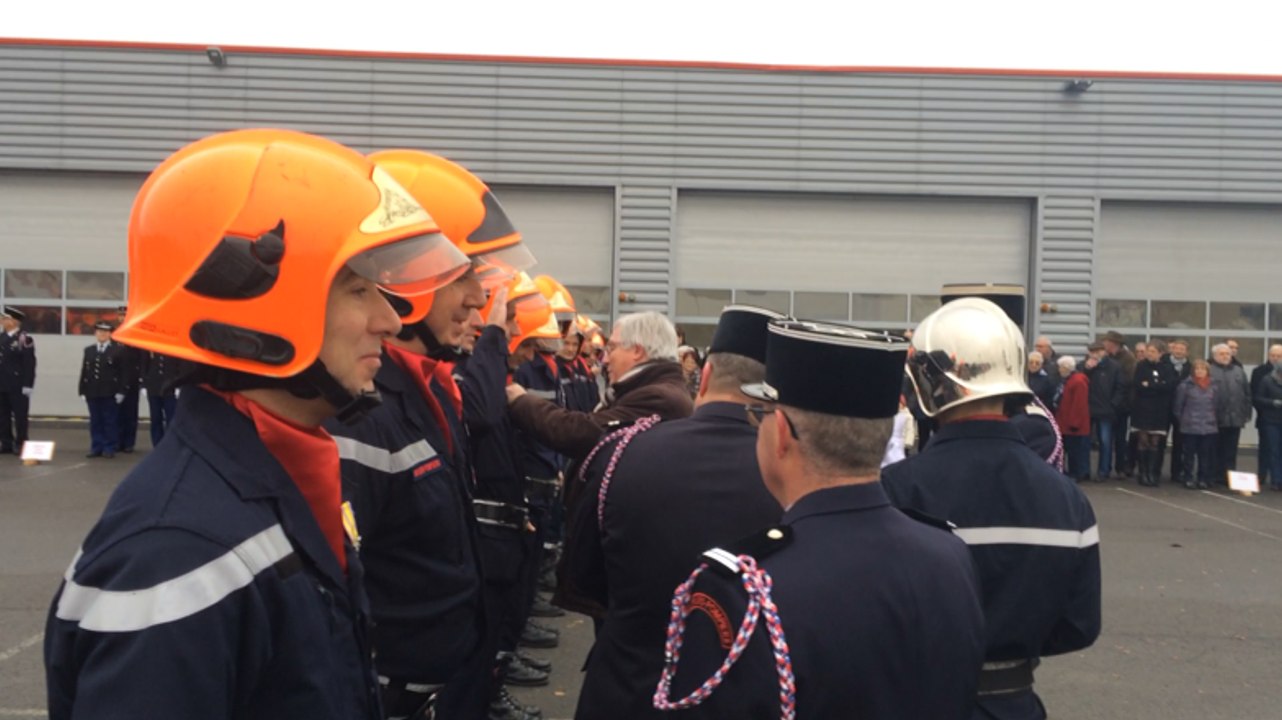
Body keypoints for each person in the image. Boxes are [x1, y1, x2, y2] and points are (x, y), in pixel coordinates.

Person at [45, 128, 471, 720]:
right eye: (356, 289)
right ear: (262, 308)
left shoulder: (278, 478)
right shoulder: (175, 552)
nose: (389, 320)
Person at [327, 147, 537, 720]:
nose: (477, 300)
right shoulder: (359, 410)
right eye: (461, 273)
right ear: (398, 279)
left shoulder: (430, 384)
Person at [883, 297, 1101, 720]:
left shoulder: (898, 489)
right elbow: (1078, 626)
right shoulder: (1067, 496)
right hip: (1016, 702)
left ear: (929, 383)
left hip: (922, 700)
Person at [570, 305, 785, 720]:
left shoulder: (621, 452)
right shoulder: (791, 475)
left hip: (626, 692)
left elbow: (585, 579)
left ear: (703, 377)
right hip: (742, 697)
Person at [506, 311, 693, 460]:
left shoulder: (658, 399)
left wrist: (521, 402)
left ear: (637, 351)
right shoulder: (657, 390)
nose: (605, 359)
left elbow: (582, 433)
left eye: (611, 348)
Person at [1130, 341, 1177, 486]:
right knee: (1143, 441)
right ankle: (1142, 473)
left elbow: (1169, 386)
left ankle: (1153, 472)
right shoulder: (1141, 366)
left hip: (1159, 410)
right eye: (1148, 351)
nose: (1149, 354)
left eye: (1153, 351)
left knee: (1155, 442)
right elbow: (1138, 384)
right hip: (1142, 409)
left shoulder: (1167, 367)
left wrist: (1151, 385)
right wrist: (1156, 386)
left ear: (1160, 353)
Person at [77, 321, 126, 458]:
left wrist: (122, 391)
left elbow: (123, 372)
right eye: (99, 331)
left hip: (110, 391)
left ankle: (109, 447)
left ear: (110, 334)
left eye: (105, 332)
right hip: (92, 391)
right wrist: (82, 389)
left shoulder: (118, 350)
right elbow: (85, 371)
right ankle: (96, 447)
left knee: (109, 421)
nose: (102, 334)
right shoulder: (89, 350)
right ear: (95, 333)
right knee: (95, 420)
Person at [1209, 342, 1252, 485]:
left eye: (1227, 353)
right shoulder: (1209, 370)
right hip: (1215, 418)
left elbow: (1247, 393)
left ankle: (1230, 477)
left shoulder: (1239, 371)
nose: (1225, 356)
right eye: (1221, 354)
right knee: (1215, 449)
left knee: (1231, 451)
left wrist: (1246, 413)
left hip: (1235, 419)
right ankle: (1214, 476)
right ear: (1215, 356)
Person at [1173, 359, 1218, 489]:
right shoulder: (1185, 386)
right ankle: (1188, 477)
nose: (1200, 371)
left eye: (1202, 369)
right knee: (1188, 454)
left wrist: (1212, 419)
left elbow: (1217, 405)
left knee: (1205, 455)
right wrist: (1184, 420)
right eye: (1197, 369)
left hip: (1208, 426)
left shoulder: (1214, 386)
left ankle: (1202, 478)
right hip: (1190, 426)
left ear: (1207, 372)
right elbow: (1178, 407)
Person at [1085, 341, 1124, 481]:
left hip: (1106, 410)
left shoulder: (1114, 366)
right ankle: (1084, 470)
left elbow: (1120, 387)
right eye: (1092, 351)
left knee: (1105, 441)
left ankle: (1104, 470)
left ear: (1104, 351)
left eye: (1098, 351)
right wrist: (1088, 368)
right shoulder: (1085, 365)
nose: (1095, 354)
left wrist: (1113, 404)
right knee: (1085, 442)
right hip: (1088, 409)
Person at [0, 306, 36, 454]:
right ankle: (6, 442)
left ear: (14, 321)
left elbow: (29, 363)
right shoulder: (2, 337)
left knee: (20, 416)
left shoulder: (24, 339)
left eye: (5, 318)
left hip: (17, 384)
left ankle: (21, 443)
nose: (2, 320)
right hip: (2, 383)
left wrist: (28, 384)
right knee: (3, 416)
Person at [1102, 331, 1137, 476]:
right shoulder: (1104, 357)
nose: (1104, 344)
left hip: (1123, 404)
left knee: (1120, 438)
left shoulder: (1128, 358)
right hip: (1105, 402)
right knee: (1106, 439)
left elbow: (1128, 380)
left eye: (1107, 342)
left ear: (1114, 344)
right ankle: (1106, 467)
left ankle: (1120, 467)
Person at [1054, 355, 1091, 482]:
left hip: (1073, 424)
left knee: (1075, 451)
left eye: (1060, 367)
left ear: (1066, 367)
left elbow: (1079, 404)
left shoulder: (1078, 382)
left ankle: (1077, 473)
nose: (1059, 370)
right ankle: (1073, 472)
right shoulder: (1068, 381)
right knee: (1070, 449)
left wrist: (1074, 423)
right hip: (1065, 421)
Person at [113, 306, 145, 453]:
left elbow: (143, 358)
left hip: (132, 379)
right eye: (120, 315)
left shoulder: (136, 334)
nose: (122, 318)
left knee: (130, 413)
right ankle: (118, 441)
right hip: (116, 380)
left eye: (124, 315)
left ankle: (129, 443)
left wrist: (142, 379)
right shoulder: (113, 333)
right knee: (117, 413)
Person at [1249, 344, 1282, 486]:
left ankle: (1277, 477)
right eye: (1273, 355)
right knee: (1267, 449)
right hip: (1267, 418)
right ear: (1268, 355)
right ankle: (1263, 475)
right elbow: (1255, 396)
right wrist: (1270, 406)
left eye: (1279, 356)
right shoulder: (1260, 373)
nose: (1275, 358)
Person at [1164, 339, 1193, 481]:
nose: (1179, 351)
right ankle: (1156, 471)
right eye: (1177, 348)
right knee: (1160, 441)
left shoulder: (1191, 367)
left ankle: (1176, 472)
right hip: (1164, 407)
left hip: (1182, 409)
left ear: (1186, 352)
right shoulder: (1164, 364)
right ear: (1172, 349)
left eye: (1182, 349)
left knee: (1179, 443)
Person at [141, 350, 182, 447]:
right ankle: (157, 444)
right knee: (155, 418)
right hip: (153, 386)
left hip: (170, 387)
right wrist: (143, 385)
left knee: (171, 418)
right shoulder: (150, 346)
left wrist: (179, 385)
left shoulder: (174, 346)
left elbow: (181, 366)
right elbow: (144, 365)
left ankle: (170, 445)